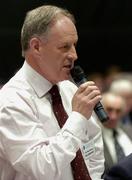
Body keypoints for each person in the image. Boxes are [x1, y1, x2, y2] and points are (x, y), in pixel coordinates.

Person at [0, 4, 104, 180]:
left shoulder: (70, 90)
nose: (74, 55)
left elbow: (93, 149)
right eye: (64, 47)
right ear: (36, 47)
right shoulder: (11, 101)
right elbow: (42, 169)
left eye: (74, 45)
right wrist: (77, 117)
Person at [100, 92, 132, 176]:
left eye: (118, 111)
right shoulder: (92, 136)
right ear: (101, 109)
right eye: (109, 109)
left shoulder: (129, 130)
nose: (113, 116)